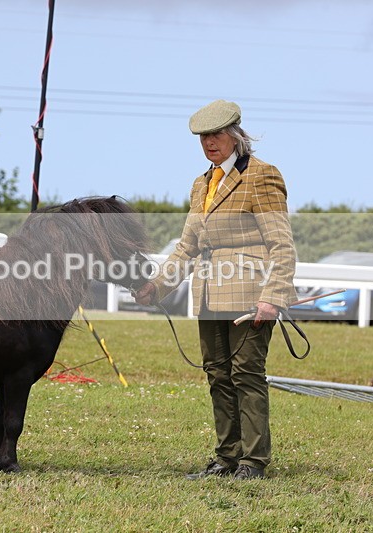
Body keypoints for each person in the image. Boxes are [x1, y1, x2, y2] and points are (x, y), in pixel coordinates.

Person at [135, 99, 296, 480]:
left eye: (216, 135)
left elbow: (282, 245)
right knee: (217, 375)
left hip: (249, 294)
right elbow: (186, 247)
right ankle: (227, 458)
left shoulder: (262, 176)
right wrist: (157, 286)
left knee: (246, 374)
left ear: (236, 135)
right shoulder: (201, 183)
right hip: (208, 293)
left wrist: (273, 297)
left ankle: (253, 461)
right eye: (203, 137)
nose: (209, 143)